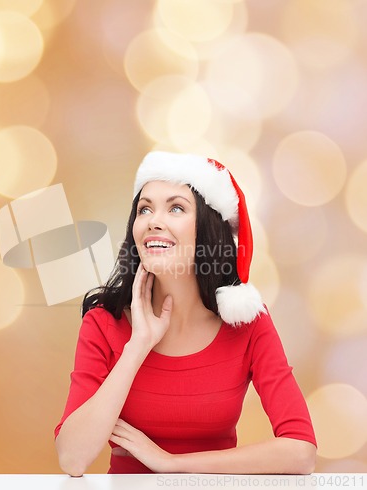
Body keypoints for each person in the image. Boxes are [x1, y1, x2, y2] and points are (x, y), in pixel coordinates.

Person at [54, 151, 317, 476]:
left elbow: (300, 451)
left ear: (208, 230)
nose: (153, 221)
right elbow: (72, 458)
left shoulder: (248, 323)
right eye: (144, 208)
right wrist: (137, 346)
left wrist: (172, 463)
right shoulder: (103, 322)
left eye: (176, 207)